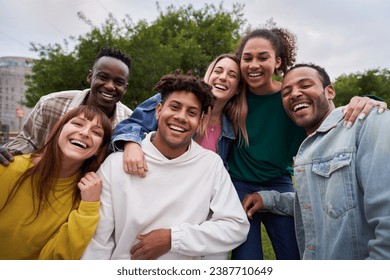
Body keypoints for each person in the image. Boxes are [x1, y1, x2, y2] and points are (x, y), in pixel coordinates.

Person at [228, 27, 387, 260]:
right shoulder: (235, 95)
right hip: (240, 180)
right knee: (246, 254)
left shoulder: (288, 98)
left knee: (293, 250)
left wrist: (370, 102)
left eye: (263, 57)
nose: (254, 65)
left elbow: (332, 118)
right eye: (247, 58)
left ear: (277, 62)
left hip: (278, 178)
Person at [81, 71, 249, 260]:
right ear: (158, 110)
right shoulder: (115, 164)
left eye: (192, 112)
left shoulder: (211, 165)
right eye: (174, 107)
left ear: (200, 121)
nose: (181, 117)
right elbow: (99, 241)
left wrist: (172, 238)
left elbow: (236, 226)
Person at [0, 105, 112, 259]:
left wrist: (88, 208)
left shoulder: (87, 195)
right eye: (78, 124)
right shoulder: (7, 167)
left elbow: (55, 258)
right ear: (59, 129)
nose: (85, 133)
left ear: (99, 149)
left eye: (96, 132)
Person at [110, 53, 247, 175]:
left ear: (237, 89)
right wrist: (131, 143)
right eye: (218, 71)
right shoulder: (175, 97)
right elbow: (130, 125)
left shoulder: (230, 129)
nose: (223, 77)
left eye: (232, 75)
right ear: (209, 75)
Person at [0, 47, 132, 166]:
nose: (110, 86)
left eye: (118, 82)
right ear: (90, 77)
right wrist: (10, 153)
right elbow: (30, 141)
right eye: (103, 77)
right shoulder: (51, 103)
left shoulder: (131, 123)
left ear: (125, 89)